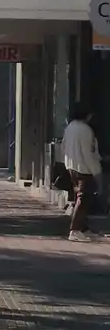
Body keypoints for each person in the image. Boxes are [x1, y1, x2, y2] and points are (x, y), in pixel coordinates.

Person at [64, 103, 103, 243]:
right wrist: (97, 173)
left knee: (79, 197)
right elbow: (89, 154)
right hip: (83, 168)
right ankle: (75, 230)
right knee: (83, 199)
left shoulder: (70, 128)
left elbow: (64, 146)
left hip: (72, 167)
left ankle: (83, 228)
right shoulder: (86, 130)